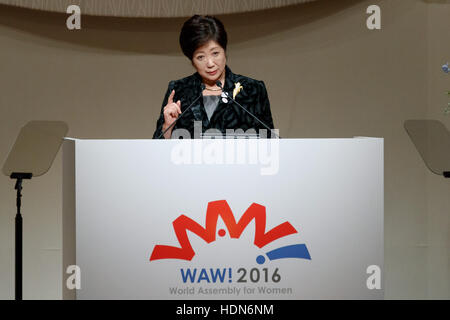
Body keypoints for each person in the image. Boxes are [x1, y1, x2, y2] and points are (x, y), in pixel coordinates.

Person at [153, 15, 275, 139]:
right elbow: (156, 150)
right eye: (201, 57)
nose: (210, 64)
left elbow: (270, 142)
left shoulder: (252, 89)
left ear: (224, 51)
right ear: (192, 60)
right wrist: (167, 126)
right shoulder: (179, 90)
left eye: (215, 53)